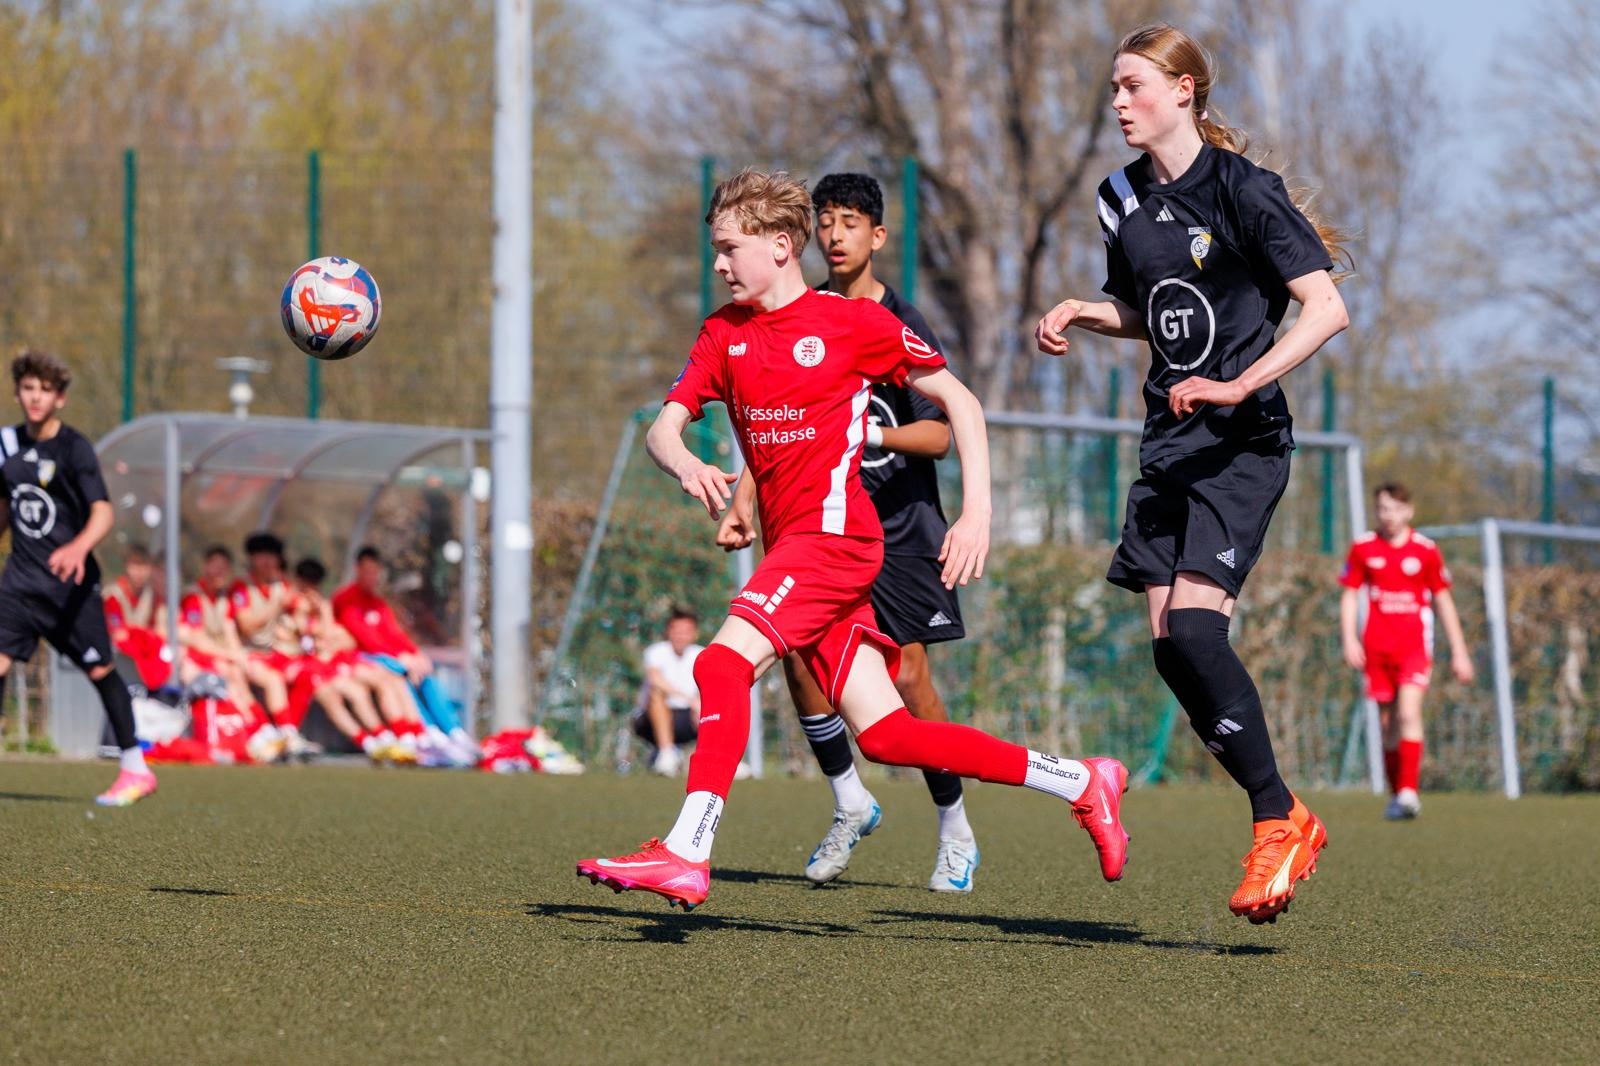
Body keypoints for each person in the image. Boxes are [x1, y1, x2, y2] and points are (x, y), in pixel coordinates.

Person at [578, 168, 1129, 912]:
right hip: (794, 549)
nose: (719, 265)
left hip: (836, 543)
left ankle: (687, 850)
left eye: (729, 248)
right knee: (889, 736)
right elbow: (662, 428)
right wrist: (689, 465)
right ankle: (1082, 780)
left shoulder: (853, 323)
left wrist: (978, 512)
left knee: (719, 664)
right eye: (715, 251)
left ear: (780, 246)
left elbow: (959, 402)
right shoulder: (721, 333)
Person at [1034, 23, 1349, 923]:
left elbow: (1326, 308)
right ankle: (1285, 815)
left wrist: (1240, 383)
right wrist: (1084, 311)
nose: (1119, 102)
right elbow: (1148, 310)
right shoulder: (1118, 198)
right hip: (1168, 444)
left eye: (1133, 85)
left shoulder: (1245, 190)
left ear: (1184, 90)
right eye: (1113, 88)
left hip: (1241, 443)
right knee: (1171, 647)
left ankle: (1276, 819)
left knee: (1198, 634)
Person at [716, 172, 980, 892]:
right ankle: (849, 801)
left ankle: (954, 826)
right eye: (826, 221)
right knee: (801, 663)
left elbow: (943, 431)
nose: (835, 235)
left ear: (878, 236)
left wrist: (875, 435)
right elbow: (776, 424)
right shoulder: (793, 312)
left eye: (850, 222)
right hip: (815, 524)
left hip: (899, 525)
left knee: (909, 676)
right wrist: (744, 498)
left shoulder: (895, 319)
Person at [0, 349, 155, 805]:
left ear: (60, 399)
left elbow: (102, 512)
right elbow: (5, 508)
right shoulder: (6, 445)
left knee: (100, 670)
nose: (36, 397)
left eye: (45, 390)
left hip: (70, 589)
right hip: (20, 584)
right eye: (28, 388)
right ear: (17, 393)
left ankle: (135, 769)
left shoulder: (74, 448)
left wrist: (78, 547)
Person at [1339, 482, 1474, 819]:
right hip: (1376, 649)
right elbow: (1350, 595)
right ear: (1376, 511)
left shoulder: (1425, 550)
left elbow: (1443, 600)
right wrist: (1349, 639)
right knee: (1387, 725)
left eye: (1396, 509)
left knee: (1408, 714)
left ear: (1409, 511)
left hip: (1413, 647)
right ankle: (1396, 795)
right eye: (1383, 508)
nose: (1389, 515)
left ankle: (1410, 792)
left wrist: (1459, 650)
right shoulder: (1363, 548)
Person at [331, 545, 477, 764]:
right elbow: (365, 640)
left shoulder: (378, 604)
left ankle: (454, 733)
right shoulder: (346, 600)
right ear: (357, 569)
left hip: (388, 658)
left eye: (375, 572)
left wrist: (415, 654)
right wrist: (403, 659)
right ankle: (426, 735)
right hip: (363, 659)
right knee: (401, 675)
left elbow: (395, 635)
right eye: (368, 571)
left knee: (426, 676)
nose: (372, 577)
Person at [229, 531, 319, 757]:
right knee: (274, 679)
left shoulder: (283, 586)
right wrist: (277, 605)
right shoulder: (241, 587)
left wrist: (313, 609)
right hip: (249, 653)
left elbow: (303, 616)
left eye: (272, 556)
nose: (267, 561)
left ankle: (288, 734)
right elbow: (247, 625)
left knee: (307, 675)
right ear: (252, 558)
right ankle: (284, 735)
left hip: (275, 653)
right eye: (261, 555)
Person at [630, 606, 703, 775]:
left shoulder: (701, 654)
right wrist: (691, 700)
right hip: (650, 720)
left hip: (689, 718)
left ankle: (722, 760)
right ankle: (667, 754)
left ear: (694, 633)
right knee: (656, 693)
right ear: (668, 631)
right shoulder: (656, 652)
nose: (680, 636)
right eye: (676, 630)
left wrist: (701, 704)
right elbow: (655, 679)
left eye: (686, 631)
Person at [102, 544, 172, 691]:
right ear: (126, 566)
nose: (139, 572)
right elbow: (118, 635)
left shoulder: (152, 595)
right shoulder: (113, 595)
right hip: (119, 661)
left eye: (144, 566)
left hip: (145, 660)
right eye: (135, 566)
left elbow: (161, 632)